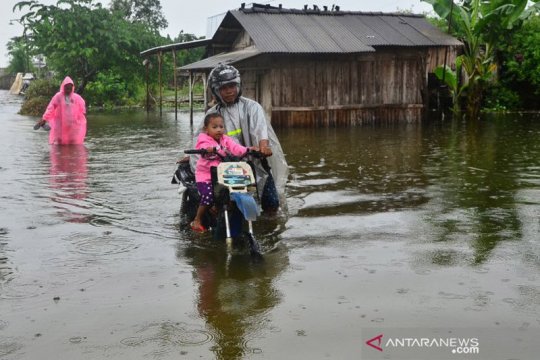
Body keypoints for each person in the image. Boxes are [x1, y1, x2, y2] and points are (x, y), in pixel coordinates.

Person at [193, 64, 288, 213]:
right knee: (219, 204)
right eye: (224, 88)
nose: (229, 91)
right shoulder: (212, 114)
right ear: (216, 90)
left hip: (254, 161)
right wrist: (194, 154)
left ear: (238, 85)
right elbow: (201, 137)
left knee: (271, 203)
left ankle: (270, 227)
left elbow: (260, 129)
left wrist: (263, 146)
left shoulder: (252, 107)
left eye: (232, 86)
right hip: (224, 165)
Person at [191, 113, 258, 233]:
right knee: (208, 197)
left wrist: (248, 149)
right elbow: (204, 149)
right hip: (206, 176)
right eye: (215, 127)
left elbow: (236, 148)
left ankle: (234, 218)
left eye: (221, 127)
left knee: (236, 190)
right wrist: (208, 150)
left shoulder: (226, 139)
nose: (219, 130)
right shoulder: (203, 139)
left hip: (223, 173)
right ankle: (197, 219)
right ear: (206, 129)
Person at [34, 76, 87, 145]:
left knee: (72, 144)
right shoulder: (58, 96)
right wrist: (44, 118)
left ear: (72, 87)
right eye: (66, 87)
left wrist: (82, 116)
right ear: (63, 87)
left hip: (72, 125)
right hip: (60, 124)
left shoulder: (76, 97)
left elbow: (82, 107)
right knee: (60, 143)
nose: (68, 89)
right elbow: (51, 108)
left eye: (70, 87)